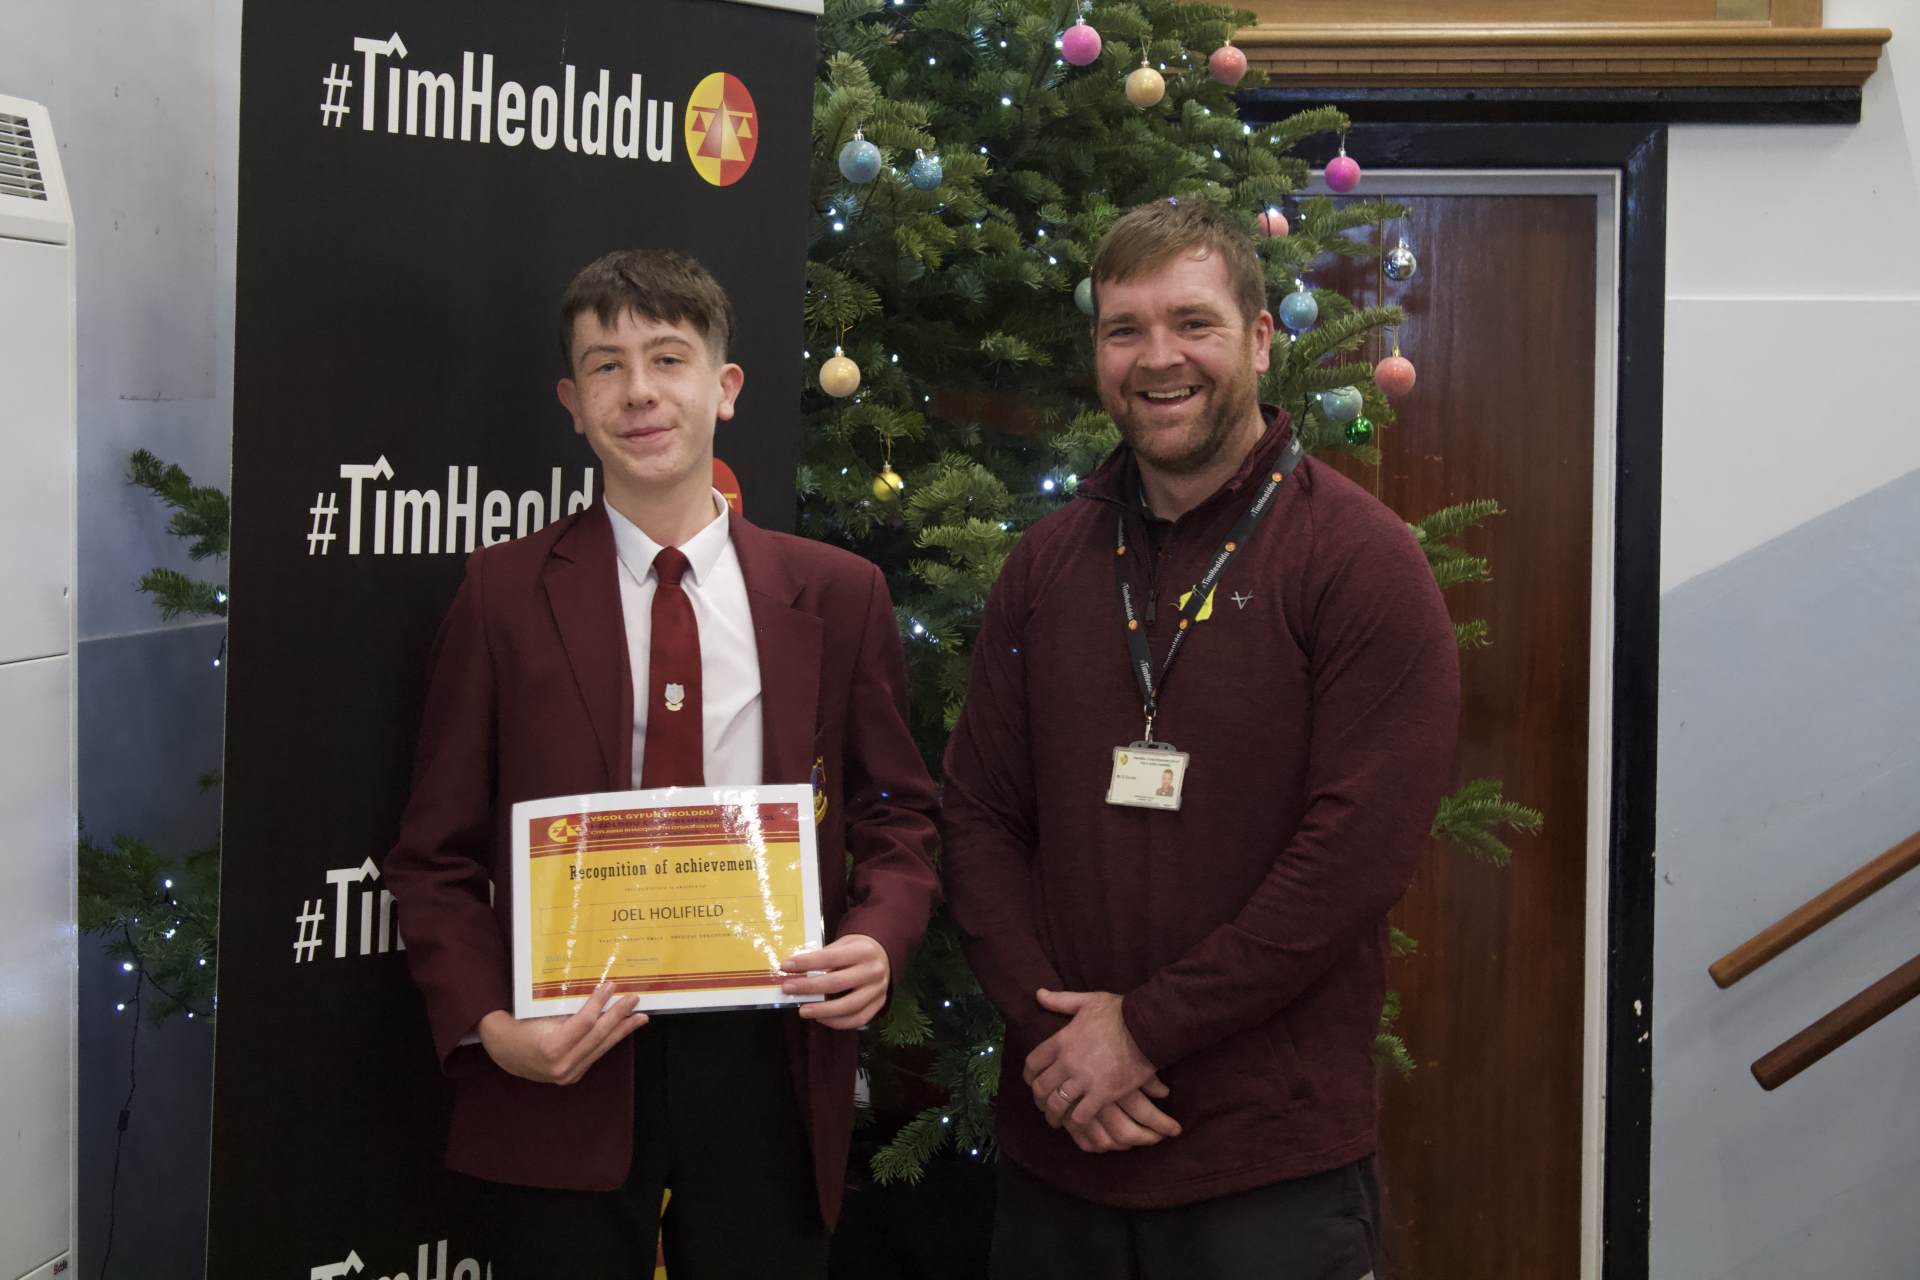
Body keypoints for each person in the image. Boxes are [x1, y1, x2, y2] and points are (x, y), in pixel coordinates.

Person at [383, 249, 940, 1278]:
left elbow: (897, 811)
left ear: (724, 388)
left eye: (669, 359)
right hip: (568, 1053)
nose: (638, 391)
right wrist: (492, 1027)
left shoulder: (837, 593)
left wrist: (879, 937)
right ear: (572, 402)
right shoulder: (502, 594)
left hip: (770, 1058)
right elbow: (434, 854)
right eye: (606, 365)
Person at [941, 199, 1460, 1279]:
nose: (1157, 358)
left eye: (1193, 323)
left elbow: (1351, 858)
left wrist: (1140, 1031)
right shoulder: (1045, 564)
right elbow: (980, 816)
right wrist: (1053, 1035)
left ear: (1260, 339)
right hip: (1060, 1154)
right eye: (1124, 330)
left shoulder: (1360, 561)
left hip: (1266, 1170)